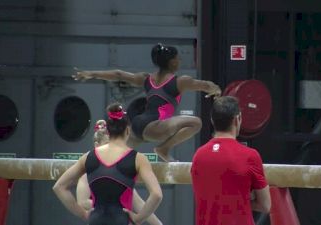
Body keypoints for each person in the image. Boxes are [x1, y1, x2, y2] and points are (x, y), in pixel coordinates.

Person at [72, 43, 222, 161]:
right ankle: (164, 148)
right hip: (154, 127)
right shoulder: (180, 82)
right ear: (172, 62)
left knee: (116, 157)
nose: (180, 61)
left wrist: (91, 73)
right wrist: (216, 89)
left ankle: (97, 158)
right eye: (178, 58)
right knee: (196, 123)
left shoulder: (146, 79)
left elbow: (119, 74)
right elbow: (205, 85)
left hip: (137, 126)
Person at [53, 102, 163, 225]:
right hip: (121, 220)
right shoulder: (138, 159)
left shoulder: (88, 157)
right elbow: (157, 195)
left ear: (108, 131)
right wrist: (138, 219)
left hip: (96, 220)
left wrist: (83, 214)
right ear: (127, 130)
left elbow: (59, 187)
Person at [190, 96, 271, 225]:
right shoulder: (249, 156)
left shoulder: (198, 156)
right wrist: (241, 200)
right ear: (237, 119)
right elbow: (265, 205)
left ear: (212, 121)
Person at [76, 119, 163, 225]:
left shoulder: (120, 176)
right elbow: (82, 202)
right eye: (107, 145)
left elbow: (139, 204)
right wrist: (110, 206)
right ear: (97, 145)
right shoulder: (88, 172)